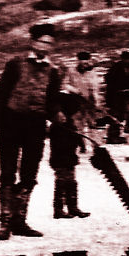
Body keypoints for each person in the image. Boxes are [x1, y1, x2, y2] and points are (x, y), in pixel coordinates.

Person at [0, 23, 62, 240]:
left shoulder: (54, 71)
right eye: (42, 42)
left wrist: (57, 114)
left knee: (30, 174)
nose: (46, 46)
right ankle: (5, 222)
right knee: (8, 173)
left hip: (36, 126)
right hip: (11, 123)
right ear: (33, 42)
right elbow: (0, 95)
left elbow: (51, 101)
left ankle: (19, 221)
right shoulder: (15, 64)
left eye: (50, 43)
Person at [48, 91, 90, 219]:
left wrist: (81, 145)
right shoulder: (58, 125)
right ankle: (58, 209)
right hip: (60, 158)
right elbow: (65, 140)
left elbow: (76, 136)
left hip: (69, 157)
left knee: (71, 182)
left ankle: (72, 207)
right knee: (62, 182)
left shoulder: (69, 123)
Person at [103, 51, 129, 144]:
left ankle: (117, 134)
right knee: (115, 116)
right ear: (124, 59)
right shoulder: (116, 68)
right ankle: (112, 136)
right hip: (114, 96)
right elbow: (108, 79)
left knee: (123, 115)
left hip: (124, 96)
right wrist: (117, 88)